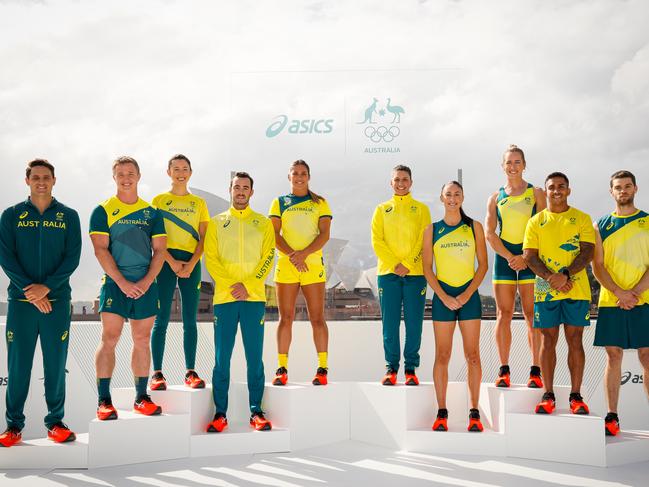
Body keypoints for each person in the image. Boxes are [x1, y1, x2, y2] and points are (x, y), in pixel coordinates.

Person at [0, 159, 81, 447]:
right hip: (22, 304)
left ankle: (55, 422)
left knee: (55, 366)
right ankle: (13, 427)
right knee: (18, 366)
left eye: (46, 177)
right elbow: (6, 258)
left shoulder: (69, 216)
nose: (41, 182)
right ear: (27, 181)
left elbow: (72, 258)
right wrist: (30, 292)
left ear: (54, 180)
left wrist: (46, 288)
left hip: (56, 302)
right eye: (36, 177)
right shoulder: (11, 215)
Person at [89, 156, 167, 420]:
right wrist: (122, 282)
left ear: (139, 176)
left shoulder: (152, 213)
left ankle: (141, 397)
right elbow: (100, 249)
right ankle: (103, 400)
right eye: (121, 174)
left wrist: (144, 283)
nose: (126, 178)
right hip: (114, 284)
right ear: (114, 177)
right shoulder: (102, 210)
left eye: (131, 173)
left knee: (142, 340)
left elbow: (159, 251)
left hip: (146, 285)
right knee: (109, 339)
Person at [204, 172, 275, 432]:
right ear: (230, 190)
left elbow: (268, 257)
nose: (241, 191)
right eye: (237, 187)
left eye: (246, 188)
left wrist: (249, 285)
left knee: (254, 359)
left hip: (253, 298)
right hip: (225, 298)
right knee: (222, 359)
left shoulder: (263, 223)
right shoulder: (216, 223)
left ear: (252, 192)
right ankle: (220, 413)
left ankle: (256, 411)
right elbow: (211, 259)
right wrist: (230, 285)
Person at [522, 172, 595, 415]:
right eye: (551, 187)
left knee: (575, 340)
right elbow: (529, 256)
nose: (556, 191)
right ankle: (548, 394)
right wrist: (551, 278)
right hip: (546, 289)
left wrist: (564, 274)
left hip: (576, 288)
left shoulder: (582, 218)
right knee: (548, 340)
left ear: (568, 190)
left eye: (561, 186)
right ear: (546, 191)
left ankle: (576, 395)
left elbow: (587, 252)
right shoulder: (535, 221)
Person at [423, 181, 488, 432]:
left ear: (463, 197)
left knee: (472, 355)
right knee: (443, 355)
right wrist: (444, 296)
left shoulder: (474, 227)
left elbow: (482, 265)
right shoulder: (432, 230)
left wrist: (466, 294)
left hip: (468, 298)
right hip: (443, 298)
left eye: (457, 194)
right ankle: (441, 412)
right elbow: (427, 268)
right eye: (448, 194)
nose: (452, 198)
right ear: (441, 198)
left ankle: (474, 412)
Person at [592, 170, 649, 436]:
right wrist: (619, 292)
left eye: (627, 186)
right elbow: (598, 266)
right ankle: (612, 417)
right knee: (613, 356)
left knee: (647, 357)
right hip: (611, 301)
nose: (623, 190)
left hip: (644, 299)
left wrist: (634, 292)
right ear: (611, 191)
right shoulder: (599, 225)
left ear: (635, 189)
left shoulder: (648, 222)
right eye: (618, 187)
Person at [485, 145, 545, 388]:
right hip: (505, 259)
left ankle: (535, 370)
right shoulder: (496, 197)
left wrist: (525, 256)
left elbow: (543, 227)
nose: (513, 166)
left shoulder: (536, 193)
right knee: (504, 314)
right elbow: (490, 233)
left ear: (524, 164)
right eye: (508, 162)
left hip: (531, 257)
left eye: (517, 162)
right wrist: (512, 256)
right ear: (502, 166)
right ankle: (504, 370)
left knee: (532, 315)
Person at [269, 160, 332, 386]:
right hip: (287, 266)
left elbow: (324, 234)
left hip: (312, 266)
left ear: (309, 176)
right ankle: (281, 368)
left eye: (303, 173)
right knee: (285, 318)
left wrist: (303, 254)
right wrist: (294, 256)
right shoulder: (279, 202)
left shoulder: (320, 203)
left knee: (317, 318)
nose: (299, 177)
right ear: (289, 177)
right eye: (295, 173)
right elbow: (275, 235)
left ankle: (322, 369)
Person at [149, 154, 210, 391]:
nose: (180, 172)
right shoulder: (159, 200)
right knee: (161, 318)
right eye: (176, 169)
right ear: (168, 172)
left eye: (185, 169)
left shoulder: (199, 203)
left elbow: (203, 237)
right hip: (165, 261)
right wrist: (171, 261)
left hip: (191, 262)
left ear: (191, 172)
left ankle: (190, 371)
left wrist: (193, 262)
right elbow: (154, 236)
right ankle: (157, 374)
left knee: (189, 320)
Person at [371, 165, 431, 385]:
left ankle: (411, 369)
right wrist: (395, 264)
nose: (401, 183)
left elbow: (423, 240)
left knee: (414, 324)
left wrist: (407, 263)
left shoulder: (422, 209)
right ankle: (391, 368)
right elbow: (377, 241)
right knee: (390, 324)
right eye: (397, 180)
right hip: (388, 274)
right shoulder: (381, 209)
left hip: (415, 274)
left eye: (405, 179)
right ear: (391, 183)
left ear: (411, 182)